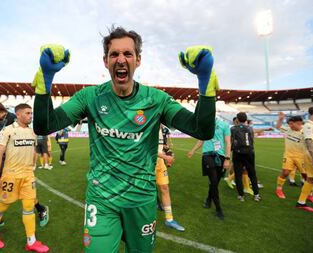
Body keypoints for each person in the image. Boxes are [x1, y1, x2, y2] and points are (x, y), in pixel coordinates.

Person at [32, 26, 218, 252]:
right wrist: (45, 82)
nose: (121, 59)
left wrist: (205, 83)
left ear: (138, 60)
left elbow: (201, 129)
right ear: (105, 61)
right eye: (114, 54)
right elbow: (45, 125)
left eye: (128, 54)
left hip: (141, 201)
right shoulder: (89, 97)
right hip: (101, 200)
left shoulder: (156, 100)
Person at [0, 103, 49, 252]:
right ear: (18, 114)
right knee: (1, 207)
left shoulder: (33, 132)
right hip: (11, 175)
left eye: (31, 113)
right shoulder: (7, 131)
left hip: (28, 176)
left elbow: (33, 150)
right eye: (27, 113)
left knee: (28, 208)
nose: (30, 116)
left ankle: (31, 241)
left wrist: (33, 164)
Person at [188, 118, 231, 219]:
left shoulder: (224, 125)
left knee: (215, 182)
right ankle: (218, 209)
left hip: (220, 156)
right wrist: (193, 150)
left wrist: (227, 158)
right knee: (214, 181)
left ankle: (208, 198)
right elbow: (201, 140)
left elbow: (228, 142)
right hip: (207, 155)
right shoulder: (206, 125)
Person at [274, 112, 313, 203]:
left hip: (302, 157)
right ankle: (278, 189)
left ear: (299, 123)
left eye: (291, 123)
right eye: (289, 123)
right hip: (289, 155)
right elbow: (278, 127)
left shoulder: (305, 132)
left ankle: (310, 195)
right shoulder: (288, 129)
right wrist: (280, 119)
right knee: (285, 172)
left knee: (306, 176)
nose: (289, 125)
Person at [156, 126, 185, 231]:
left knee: (165, 188)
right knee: (143, 192)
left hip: (159, 163)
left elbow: (159, 148)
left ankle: (169, 219)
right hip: (147, 164)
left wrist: (167, 152)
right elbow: (146, 149)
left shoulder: (161, 130)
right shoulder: (148, 126)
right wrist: (166, 157)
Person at [231, 112, 262, 202]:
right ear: (246, 119)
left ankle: (241, 196)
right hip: (249, 153)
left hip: (238, 153)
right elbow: (252, 139)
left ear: (237, 119)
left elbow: (231, 141)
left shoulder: (233, 129)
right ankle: (256, 195)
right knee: (252, 174)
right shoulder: (250, 128)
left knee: (238, 174)